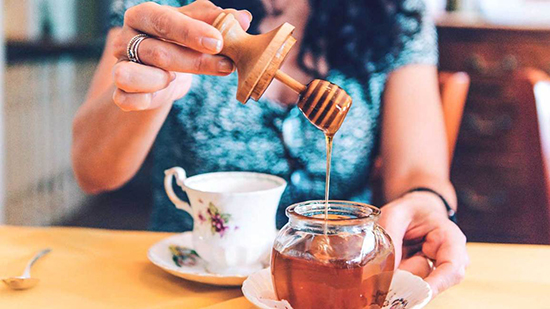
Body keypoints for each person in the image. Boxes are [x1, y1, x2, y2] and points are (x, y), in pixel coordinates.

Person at [72, 0, 468, 296]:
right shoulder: (169, 7)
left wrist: (426, 203)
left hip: (336, 285)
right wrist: (155, 80)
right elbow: (93, 170)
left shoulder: (394, 12)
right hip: (192, 287)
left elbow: (419, 172)